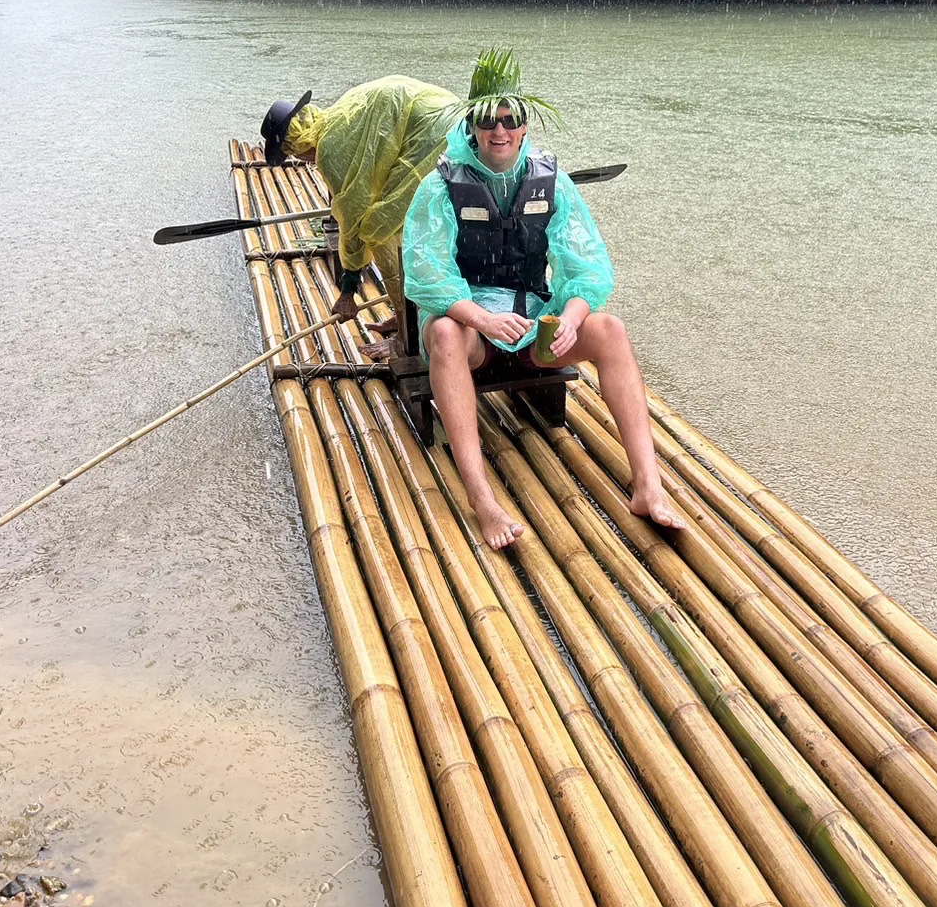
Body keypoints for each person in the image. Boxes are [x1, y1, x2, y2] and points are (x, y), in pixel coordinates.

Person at [402, 49, 684, 549]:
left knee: (610, 329)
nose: (500, 131)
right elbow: (427, 275)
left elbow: (586, 266)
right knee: (443, 331)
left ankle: (648, 485)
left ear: (525, 127)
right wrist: (482, 319)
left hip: (534, 322)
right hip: (472, 334)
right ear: (472, 126)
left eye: (511, 121)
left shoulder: (552, 182)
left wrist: (571, 317)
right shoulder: (439, 186)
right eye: (489, 121)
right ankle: (483, 500)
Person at [261, 76, 462, 341]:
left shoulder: (330, 149)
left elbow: (354, 221)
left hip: (437, 135)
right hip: (452, 117)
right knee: (396, 219)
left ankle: (406, 332)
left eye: (293, 153)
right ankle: (408, 313)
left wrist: (348, 292)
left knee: (379, 228)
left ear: (296, 144)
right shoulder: (338, 116)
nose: (303, 160)